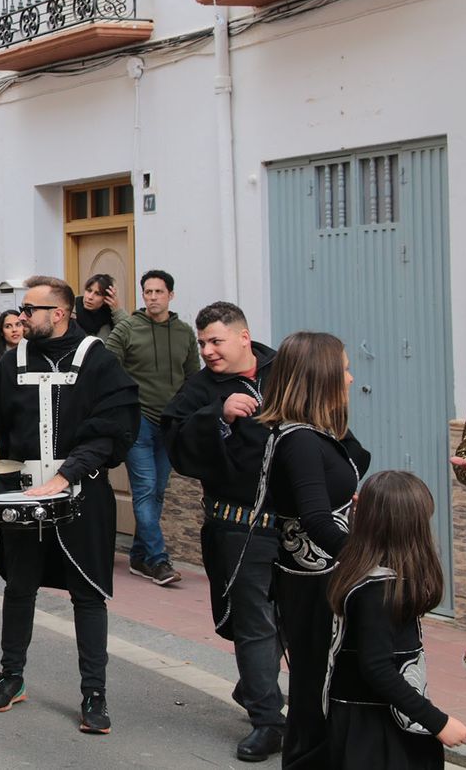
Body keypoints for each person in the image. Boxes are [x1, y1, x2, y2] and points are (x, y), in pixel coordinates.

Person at [0, 275, 140, 735]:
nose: (21, 317)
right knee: (19, 587)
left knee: (88, 594)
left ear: (58, 313)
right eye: (21, 309)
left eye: (30, 310)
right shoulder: (10, 364)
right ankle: (11, 676)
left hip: (82, 493)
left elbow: (113, 428)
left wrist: (66, 475)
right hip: (21, 493)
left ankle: (94, 693)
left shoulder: (98, 361)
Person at [162, 302, 285, 762]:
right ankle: (268, 721)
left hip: (295, 523)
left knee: (291, 618)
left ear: (243, 337)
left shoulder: (284, 371)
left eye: (216, 341)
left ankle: (254, 685)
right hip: (237, 527)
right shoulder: (199, 388)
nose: (208, 351)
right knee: (254, 622)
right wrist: (219, 414)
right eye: (202, 343)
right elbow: (175, 438)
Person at [251, 330, 371, 767]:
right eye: (343, 371)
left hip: (323, 578)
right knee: (314, 694)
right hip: (313, 585)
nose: (351, 379)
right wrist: (372, 562)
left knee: (325, 688)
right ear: (321, 378)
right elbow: (318, 521)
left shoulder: (313, 433)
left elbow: (356, 457)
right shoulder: (300, 440)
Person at [323, 470, 466, 768]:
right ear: (410, 528)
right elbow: (377, 668)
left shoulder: (366, 572)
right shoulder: (377, 591)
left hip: (381, 721)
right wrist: (438, 721)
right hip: (375, 729)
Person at [105, 269, 199, 588]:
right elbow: (106, 365)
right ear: (143, 295)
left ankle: (138, 556)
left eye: (159, 292)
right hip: (139, 421)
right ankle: (158, 560)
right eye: (148, 292)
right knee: (145, 488)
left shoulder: (185, 332)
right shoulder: (128, 328)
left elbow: (193, 377)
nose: (153, 297)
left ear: (171, 295)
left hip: (171, 424)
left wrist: (186, 415)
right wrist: (122, 403)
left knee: (157, 491)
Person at [72, 274, 126, 339]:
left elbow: (129, 333)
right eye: (89, 290)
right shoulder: (70, 309)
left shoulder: (109, 316)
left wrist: (117, 310)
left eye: (98, 294)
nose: (90, 297)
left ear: (107, 298)